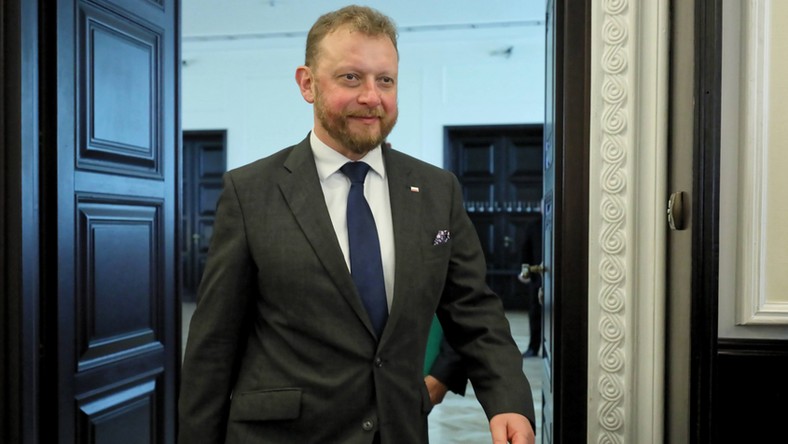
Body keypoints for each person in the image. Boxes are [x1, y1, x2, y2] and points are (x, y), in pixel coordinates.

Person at [178, 5, 535, 444]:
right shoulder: (250, 192)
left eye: (385, 80)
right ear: (307, 84)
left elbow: (474, 311)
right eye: (351, 77)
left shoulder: (436, 190)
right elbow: (213, 346)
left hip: (398, 429)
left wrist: (509, 402)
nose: (372, 96)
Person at [518, 213, 543, 358]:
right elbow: (525, 250)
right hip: (537, 274)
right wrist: (525, 272)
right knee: (535, 313)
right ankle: (533, 347)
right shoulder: (534, 225)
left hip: (556, 276)